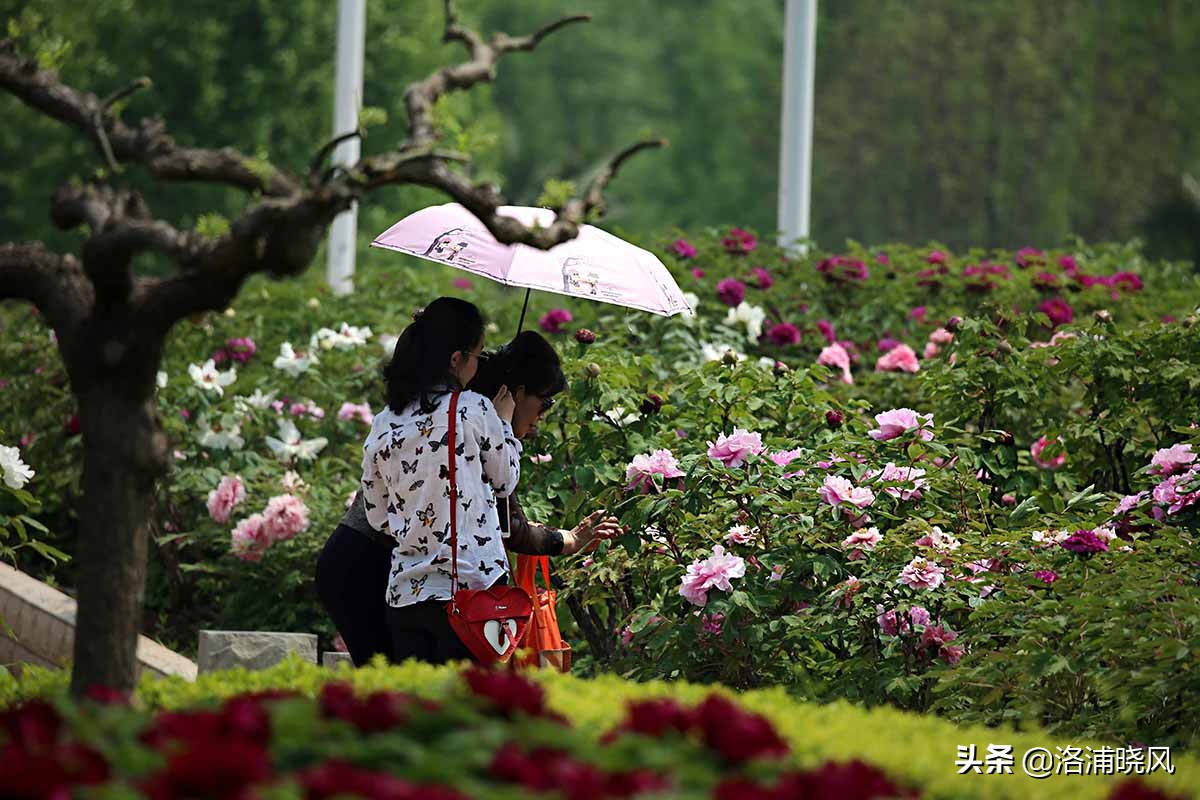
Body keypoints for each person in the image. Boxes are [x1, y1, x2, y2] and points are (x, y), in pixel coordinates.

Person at [315, 303, 617, 665]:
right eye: (477, 353)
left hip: (404, 594)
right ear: (457, 359)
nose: (542, 418)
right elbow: (506, 483)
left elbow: (379, 514)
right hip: (463, 597)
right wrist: (503, 425)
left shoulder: (386, 420)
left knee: (406, 706)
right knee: (465, 712)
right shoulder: (473, 410)